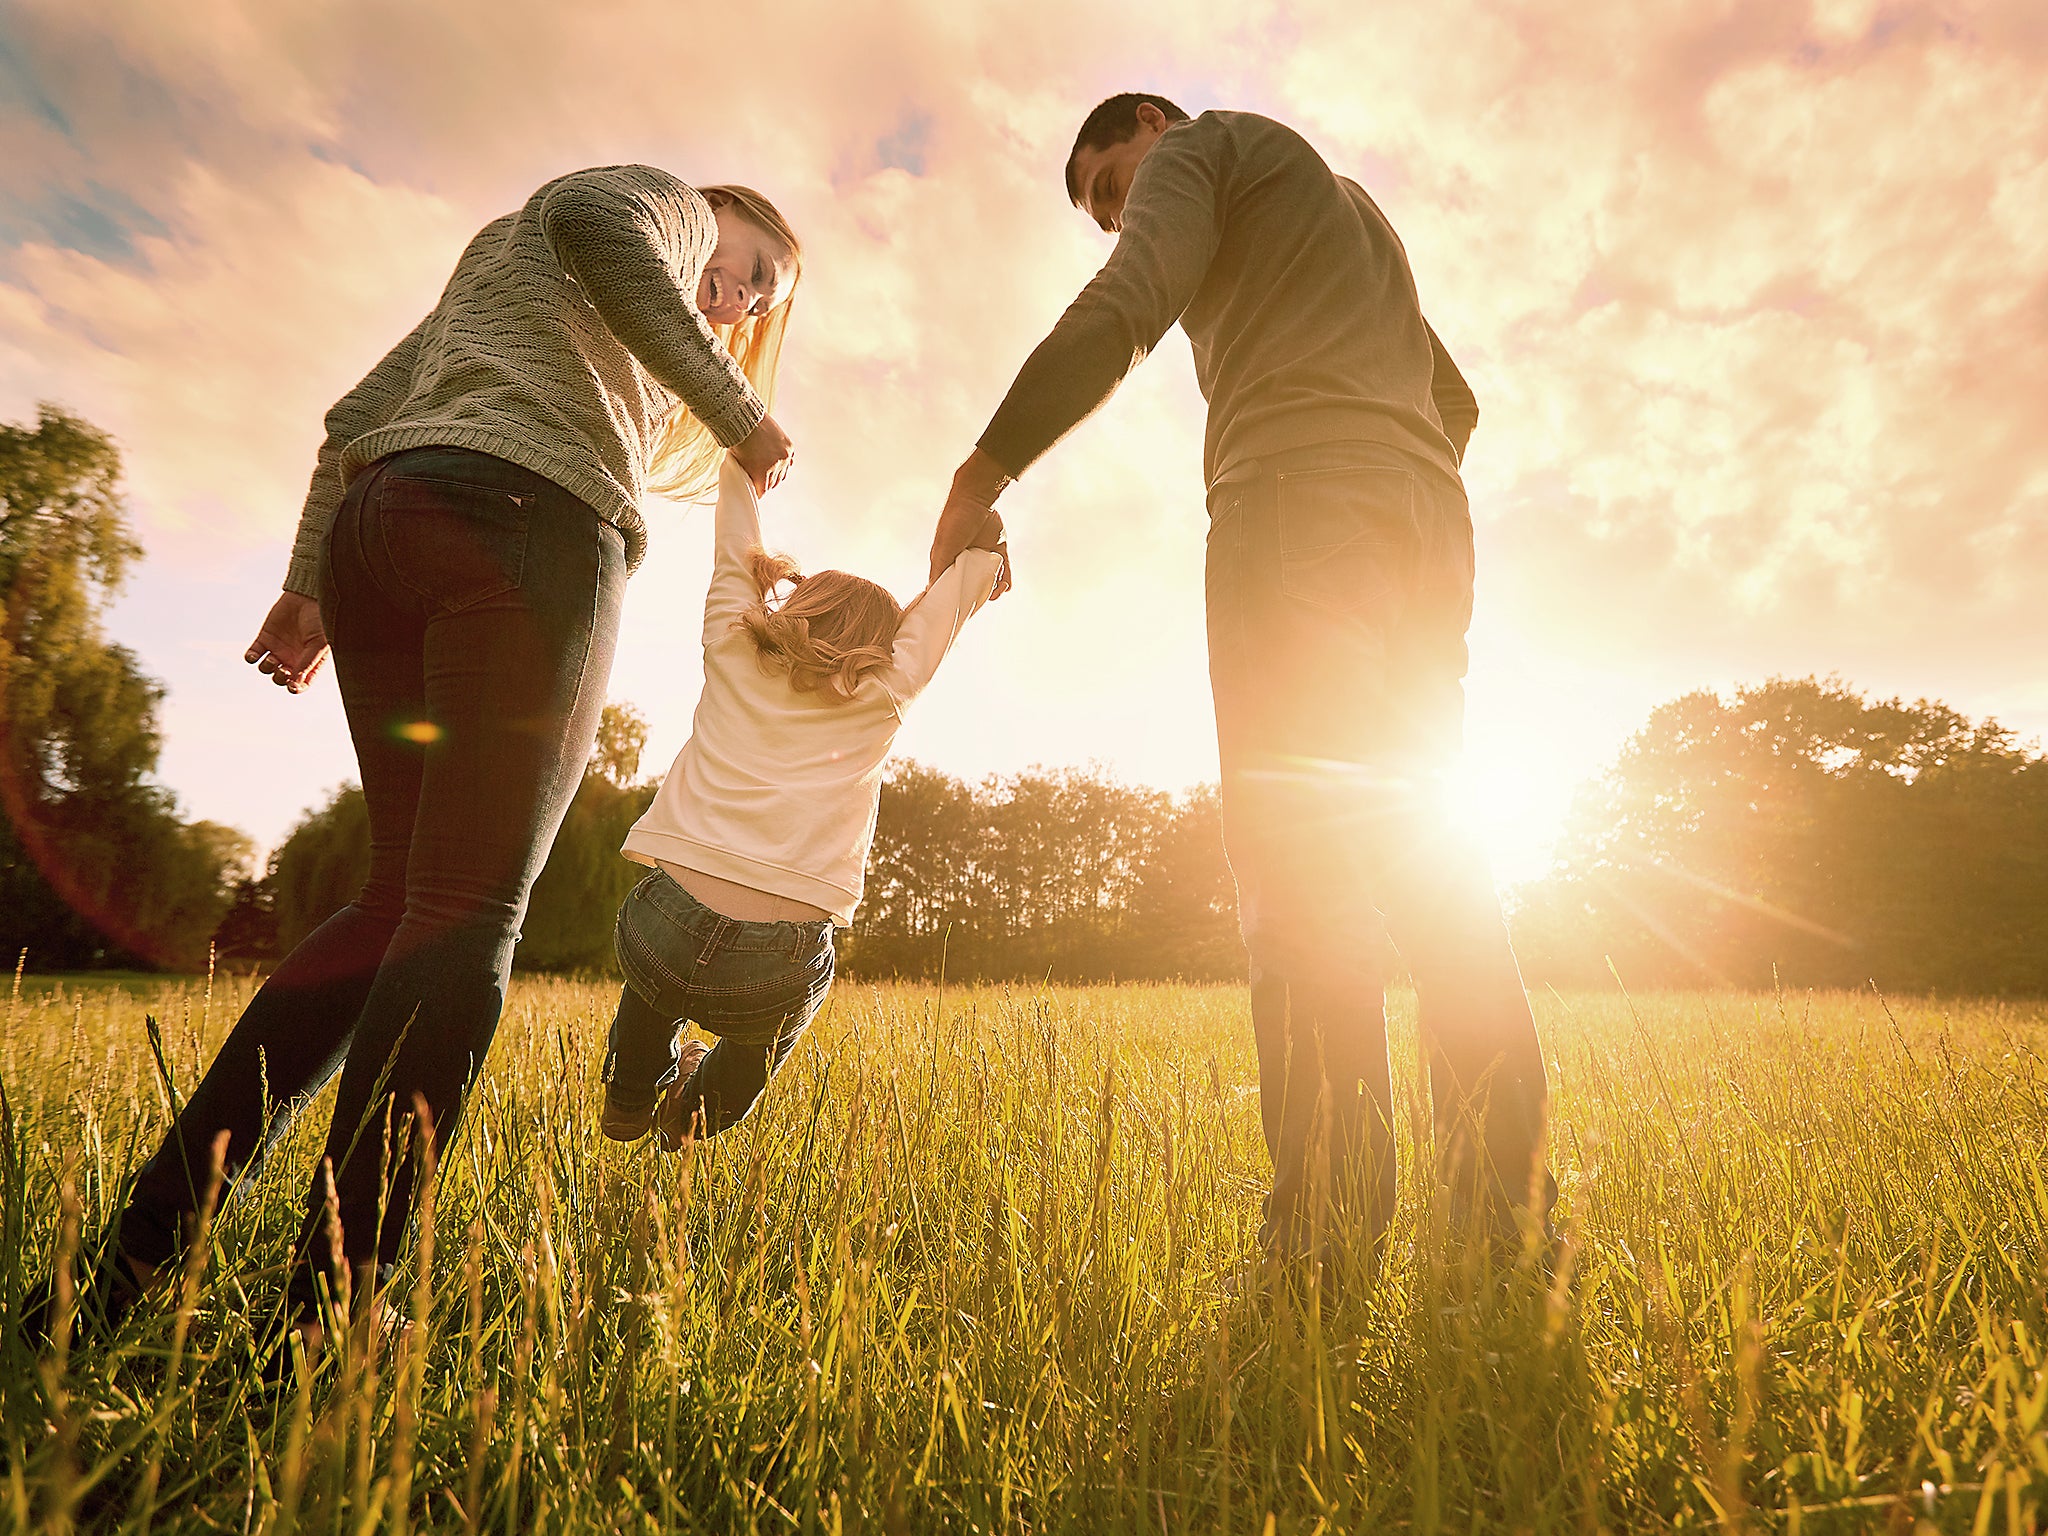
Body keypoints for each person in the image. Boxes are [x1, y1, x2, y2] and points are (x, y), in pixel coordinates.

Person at [33, 167, 803, 1359]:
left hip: (383, 532)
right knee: (467, 912)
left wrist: (305, 587)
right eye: (751, 266)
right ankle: (334, 1311)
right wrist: (736, 406)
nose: (741, 299)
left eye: (761, 303)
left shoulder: (516, 286)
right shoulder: (654, 202)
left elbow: (353, 421)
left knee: (395, 900)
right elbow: (604, 223)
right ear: (715, 212)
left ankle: (131, 1260)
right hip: (528, 527)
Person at [926, 95, 1554, 1269]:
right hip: (1426, 525)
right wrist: (1381, 467)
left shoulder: (1202, 150)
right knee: (1434, 867)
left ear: (1152, 126)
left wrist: (983, 469)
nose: (1121, 219)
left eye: (1115, 188)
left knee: (1299, 867)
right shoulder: (1344, 206)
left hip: (1295, 510)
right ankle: (1505, 1221)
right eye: (1105, 212)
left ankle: (1322, 1235)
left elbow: (1127, 305)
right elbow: (1453, 399)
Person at [599, 456, 1006, 1147]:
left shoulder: (733, 645)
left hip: (660, 925)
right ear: (884, 645)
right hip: (776, 962)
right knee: (767, 1035)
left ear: (796, 605)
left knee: (656, 982)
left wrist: (740, 469)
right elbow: (947, 609)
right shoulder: (885, 691)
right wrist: (985, 562)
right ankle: (694, 1119)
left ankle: (632, 1095)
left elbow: (734, 550)